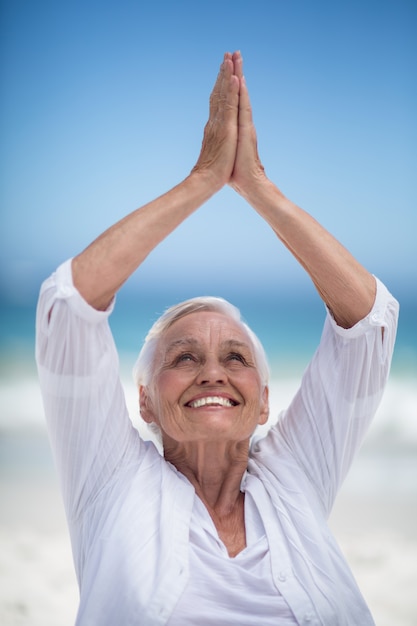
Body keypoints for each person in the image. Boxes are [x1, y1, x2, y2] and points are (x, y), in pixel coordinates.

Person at [36, 51, 399, 625]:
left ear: (263, 403)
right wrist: (203, 180)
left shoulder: (294, 477)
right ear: (146, 400)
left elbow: (370, 324)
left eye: (236, 357)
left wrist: (257, 187)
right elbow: (69, 306)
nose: (213, 372)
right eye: (184, 357)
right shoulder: (111, 481)